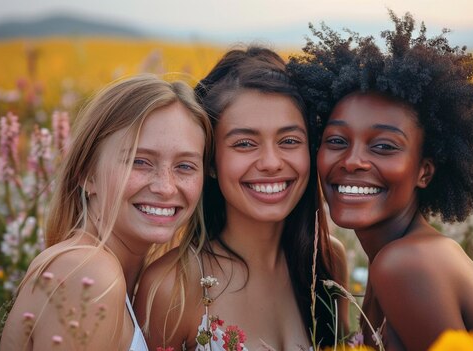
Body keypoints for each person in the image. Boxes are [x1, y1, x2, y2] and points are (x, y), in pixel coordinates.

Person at [287, 12, 473, 351]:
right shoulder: (407, 252)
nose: (353, 161)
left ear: (424, 171)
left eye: (384, 146)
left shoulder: (405, 265)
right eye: (337, 141)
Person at [134, 46, 348, 350]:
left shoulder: (326, 260)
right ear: (210, 161)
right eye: (245, 143)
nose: (272, 162)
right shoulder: (173, 286)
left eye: (289, 141)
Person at [0, 74, 212, 351]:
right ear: (86, 173)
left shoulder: (102, 272)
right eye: (140, 161)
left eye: (185, 166)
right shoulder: (89, 272)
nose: (165, 187)